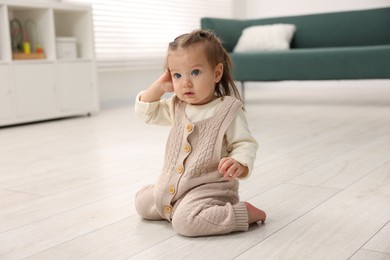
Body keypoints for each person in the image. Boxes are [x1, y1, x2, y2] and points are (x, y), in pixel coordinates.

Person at [134, 29, 266, 237]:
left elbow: (245, 143)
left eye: (195, 72)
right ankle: (176, 203)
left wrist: (239, 163)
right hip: (176, 185)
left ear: (216, 73)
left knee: (186, 224)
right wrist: (160, 86)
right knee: (142, 204)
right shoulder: (177, 105)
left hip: (210, 189)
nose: (185, 82)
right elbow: (147, 113)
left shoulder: (228, 109)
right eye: (177, 75)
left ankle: (243, 212)